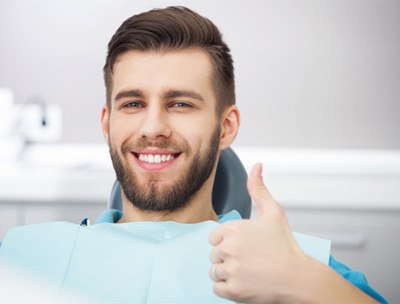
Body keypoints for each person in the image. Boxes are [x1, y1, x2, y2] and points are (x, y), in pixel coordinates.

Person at [0, 6, 386, 303]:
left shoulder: (301, 268)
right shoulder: (21, 256)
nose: (152, 128)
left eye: (181, 104)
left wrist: (302, 281)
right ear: (107, 124)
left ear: (226, 126)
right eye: (133, 103)